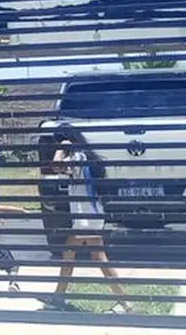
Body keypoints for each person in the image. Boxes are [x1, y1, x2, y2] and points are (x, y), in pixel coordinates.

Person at [45, 126, 132, 314]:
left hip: (85, 218)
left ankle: (126, 304)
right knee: (75, 255)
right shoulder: (85, 157)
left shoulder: (76, 158)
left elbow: (55, 165)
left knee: (94, 257)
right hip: (90, 215)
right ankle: (58, 296)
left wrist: (62, 147)